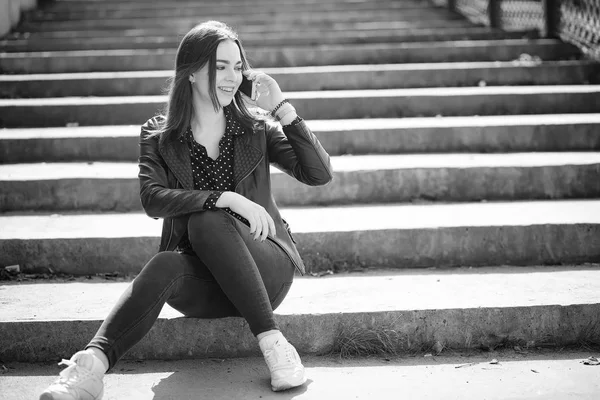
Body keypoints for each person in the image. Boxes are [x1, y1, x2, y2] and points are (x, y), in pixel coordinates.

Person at [40, 20, 333, 400]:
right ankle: (88, 370)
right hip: (204, 284)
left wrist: (282, 109)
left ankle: (275, 345)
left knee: (208, 218)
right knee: (166, 262)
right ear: (193, 72)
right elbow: (153, 197)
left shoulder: (256, 128)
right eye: (220, 66)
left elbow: (319, 173)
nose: (232, 76)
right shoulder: (160, 135)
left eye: (237, 66)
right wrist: (227, 197)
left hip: (266, 268)